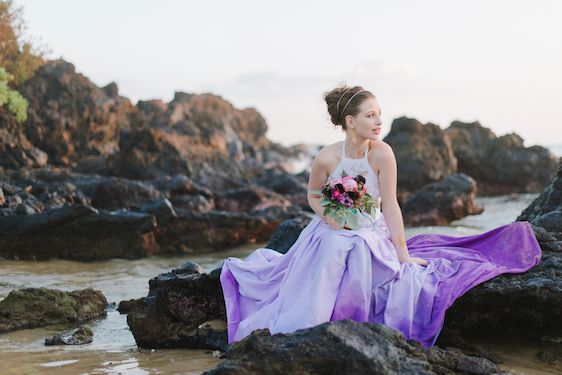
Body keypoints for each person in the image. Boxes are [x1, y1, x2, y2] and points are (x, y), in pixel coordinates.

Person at [219, 85, 542, 347]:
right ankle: (304, 327)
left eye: (379, 114)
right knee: (334, 246)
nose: (378, 122)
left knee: (357, 247)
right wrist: (329, 216)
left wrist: (402, 253)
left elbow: (390, 204)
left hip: (370, 228)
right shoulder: (328, 156)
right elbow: (314, 194)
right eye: (370, 115)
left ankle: (342, 322)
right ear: (349, 121)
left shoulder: (382, 152)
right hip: (331, 227)